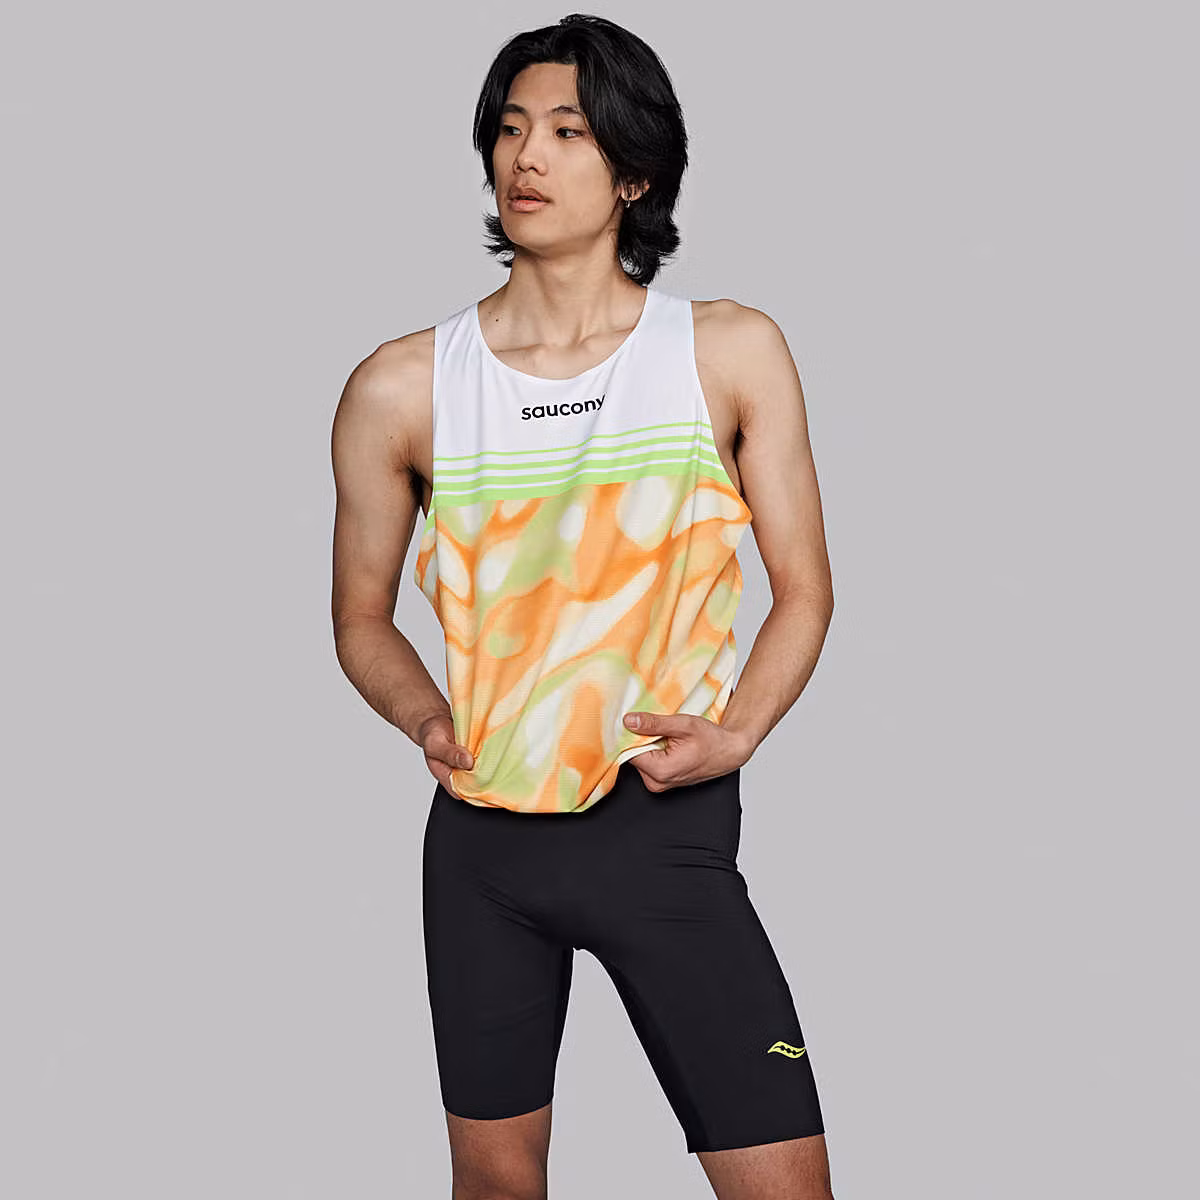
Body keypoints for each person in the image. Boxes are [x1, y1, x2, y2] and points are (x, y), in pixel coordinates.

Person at [331, 14, 836, 1199]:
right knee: (496, 1187)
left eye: (567, 130)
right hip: (481, 851)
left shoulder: (728, 352)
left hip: (660, 828)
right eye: (510, 129)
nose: (528, 156)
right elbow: (359, 616)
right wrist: (423, 716)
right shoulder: (402, 385)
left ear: (635, 170)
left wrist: (739, 734)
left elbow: (806, 589)